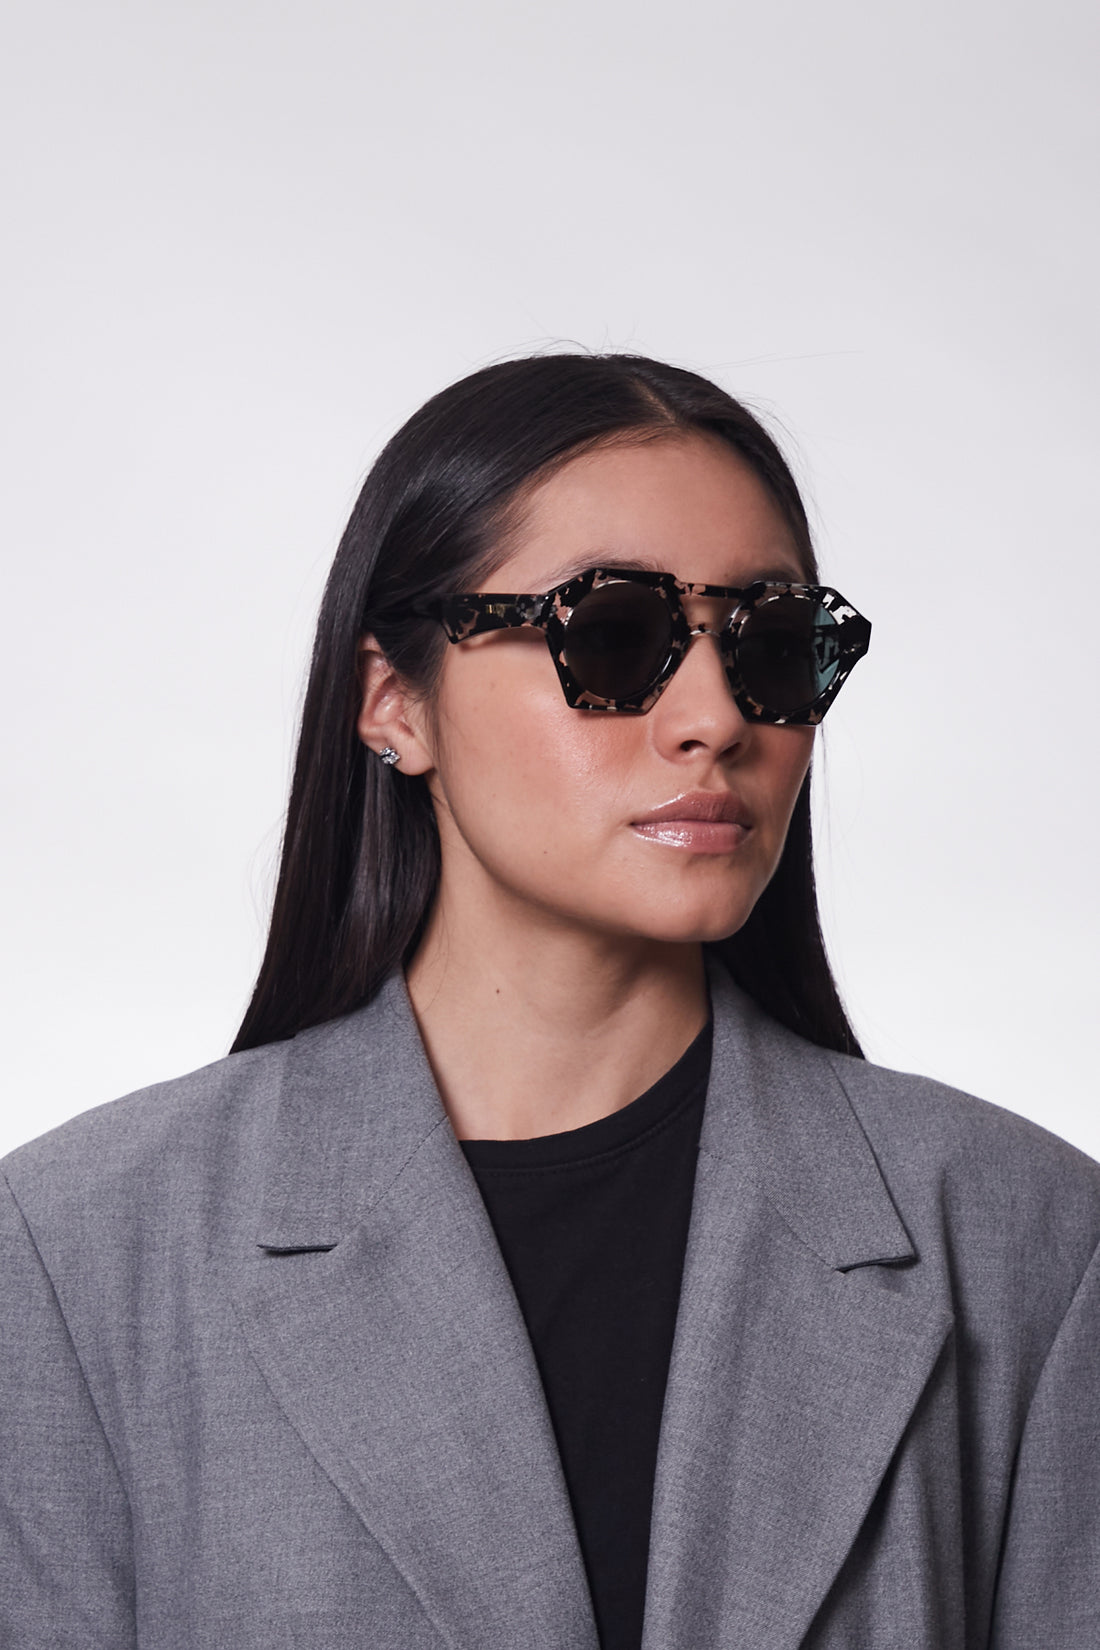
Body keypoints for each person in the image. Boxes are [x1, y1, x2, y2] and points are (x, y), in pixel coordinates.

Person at [1, 353, 1097, 1650]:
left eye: (771, 643)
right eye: (613, 634)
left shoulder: (1030, 1240)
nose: (714, 719)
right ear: (395, 703)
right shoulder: (75, 1253)